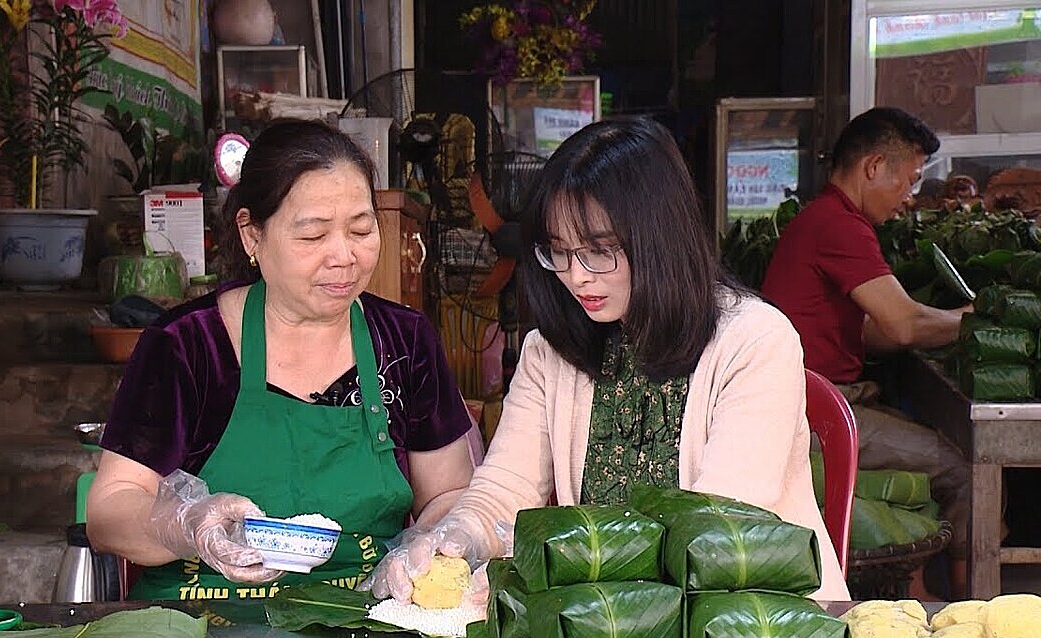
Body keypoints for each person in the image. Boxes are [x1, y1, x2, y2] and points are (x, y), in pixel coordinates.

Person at [362, 117, 850, 603]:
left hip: (750, 624)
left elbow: (712, 532)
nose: (576, 277)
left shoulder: (755, 341)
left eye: (598, 251)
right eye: (559, 252)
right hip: (614, 631)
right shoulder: (549, 351)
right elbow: (504, 492)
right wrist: (457, 540)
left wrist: (544, 573)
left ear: (659, 237)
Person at [86, 119, 476, 600]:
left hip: (362, 614)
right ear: (252, 235)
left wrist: (431, 544)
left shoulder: (405, 341)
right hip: (200, 625)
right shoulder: (186, 345)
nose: (344, 256)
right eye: (312, 236)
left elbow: (448, 494)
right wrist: (184, 525)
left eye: (361, 229)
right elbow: (109, 511)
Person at [761, 106, 972, 599]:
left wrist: (942, 323)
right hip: (814, 413)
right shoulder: (839, 225)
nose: (910, 196)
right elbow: (900, 325)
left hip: (819, 400)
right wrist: (974, 322)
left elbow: (873, 333)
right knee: (961, 466)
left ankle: (919, 588)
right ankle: (970, 600)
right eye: (910, 180)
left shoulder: (826, 218)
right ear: (874, 167)